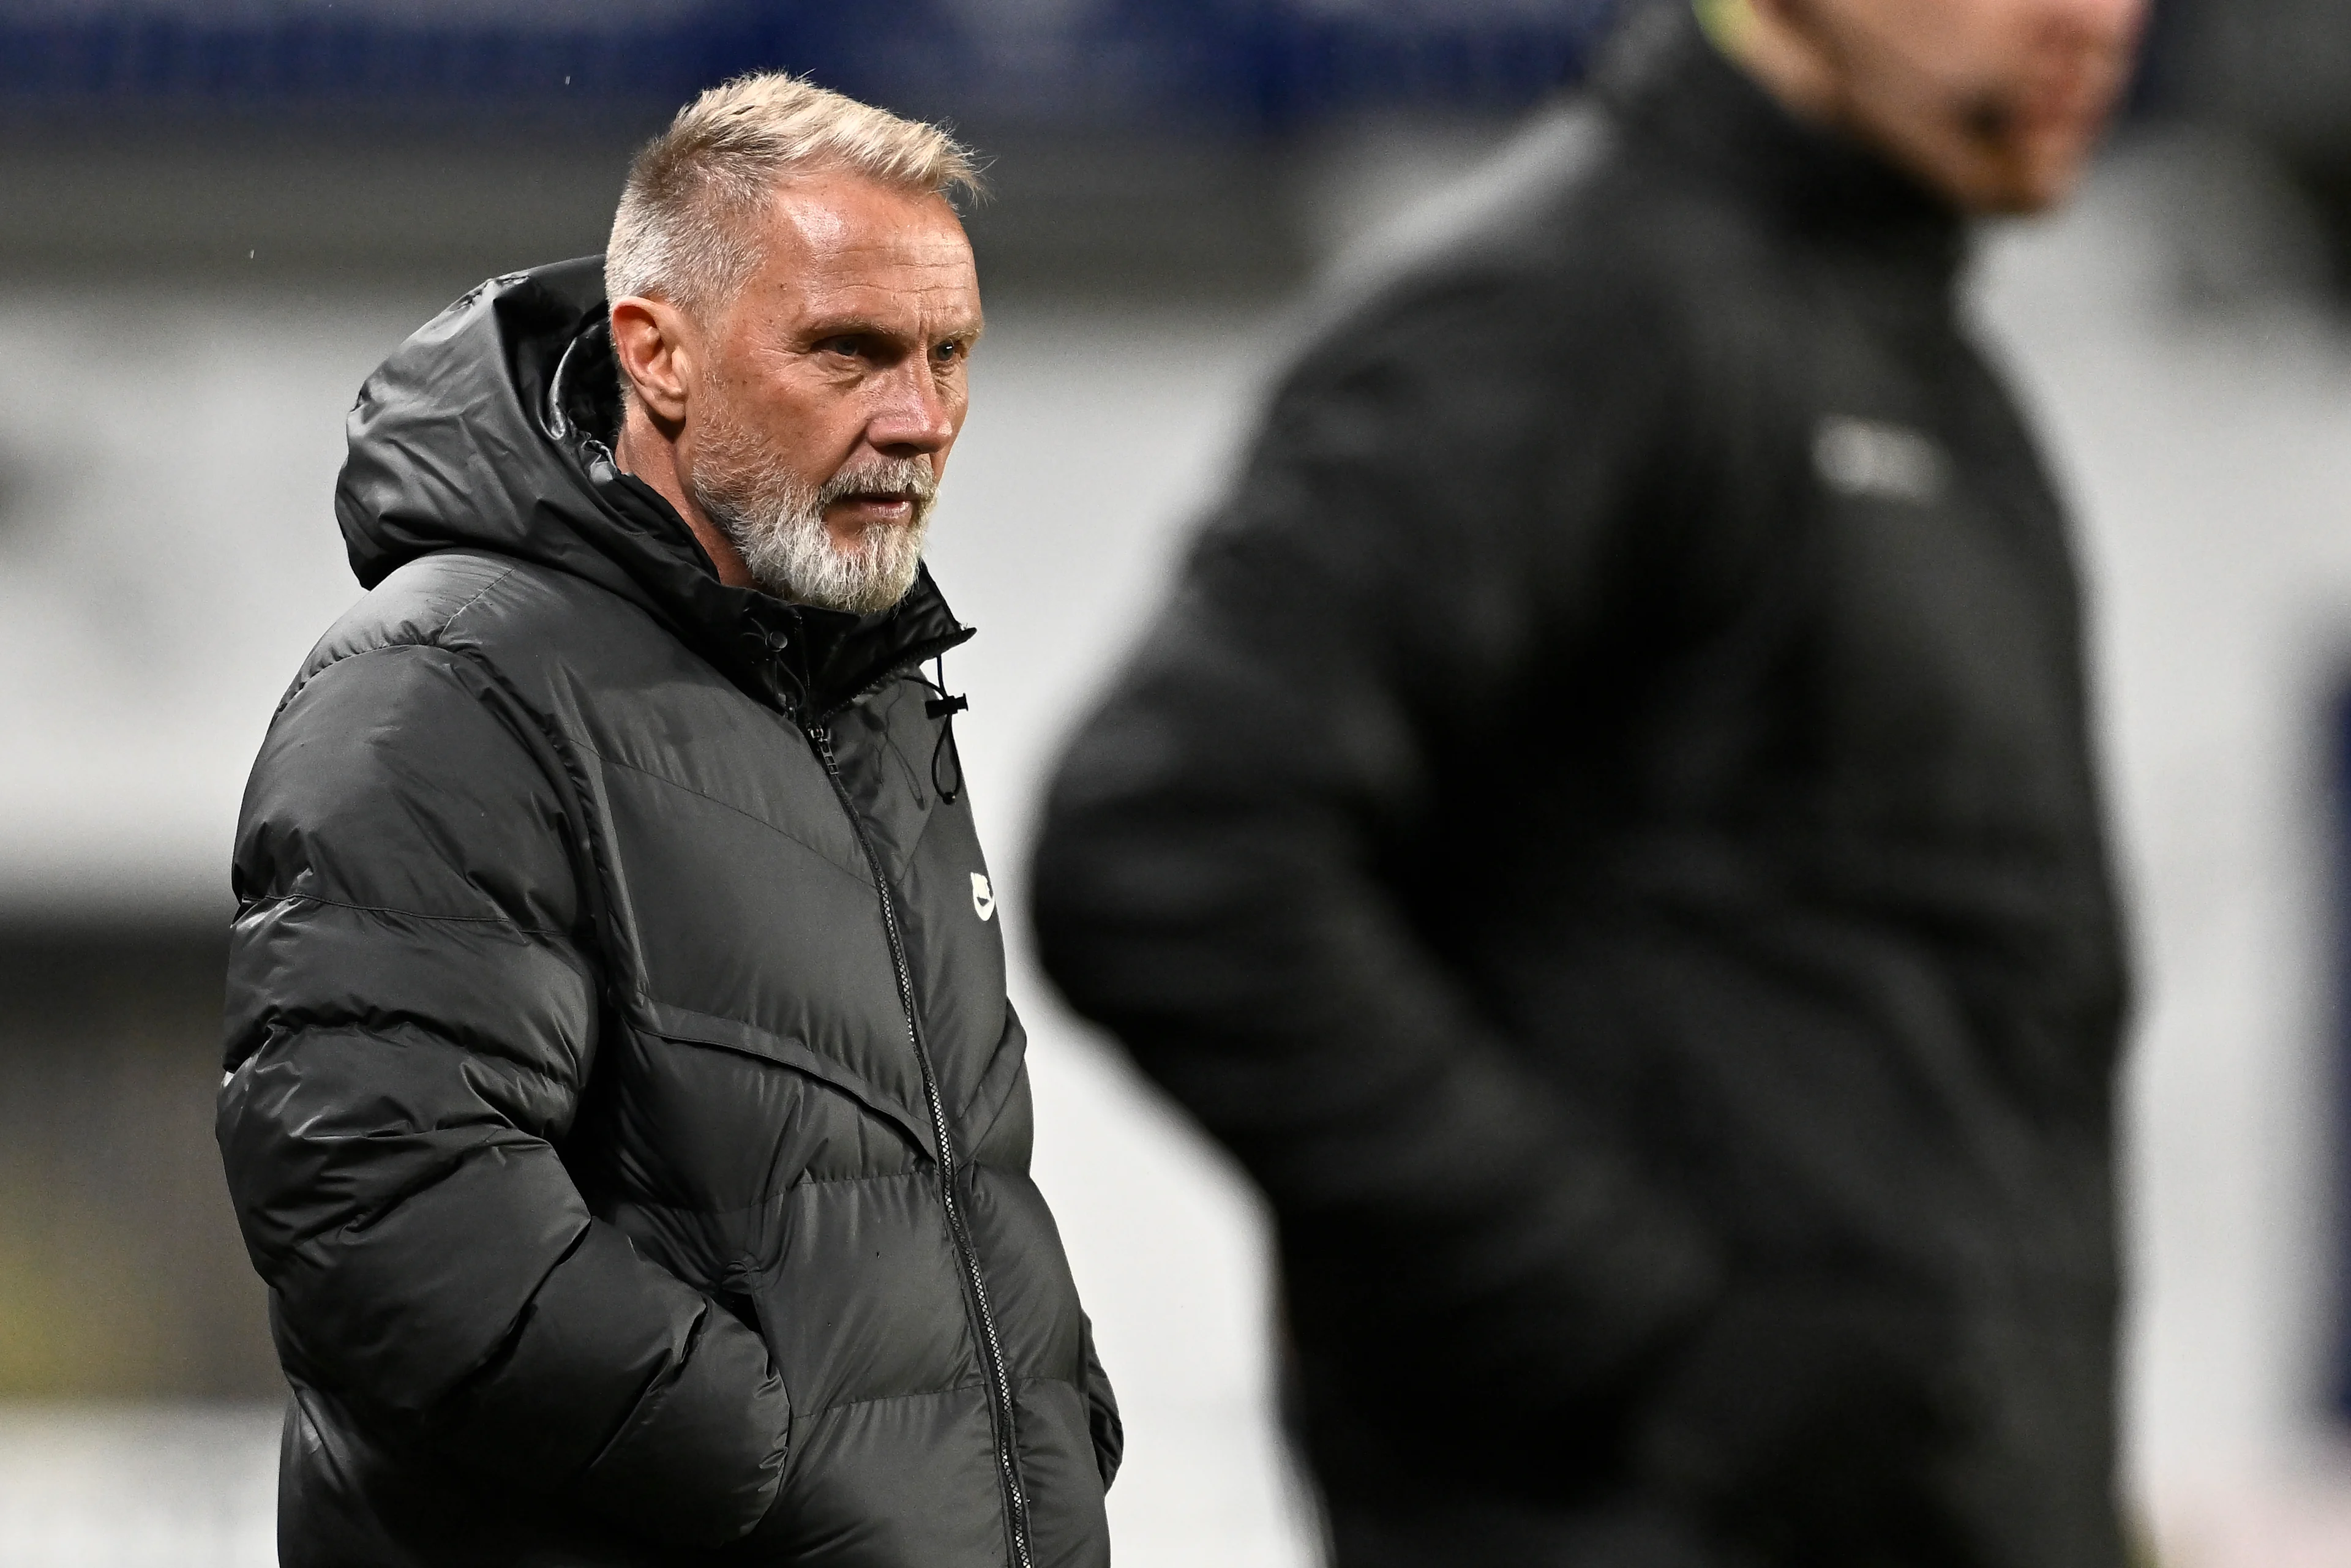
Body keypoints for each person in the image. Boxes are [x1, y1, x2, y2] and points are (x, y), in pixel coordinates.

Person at [1030, 1, 2144, 1564]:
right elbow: (1164, 849)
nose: (2095, 15)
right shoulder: (1573, 314)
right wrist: (1649, 1331)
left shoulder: (1941, 381)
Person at [217, 75, 1117, 1568]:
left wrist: (1049, 1431)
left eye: (950, 354)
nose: (920, 419)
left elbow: (927, 1188)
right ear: (660, 354)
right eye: (851, 351)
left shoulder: (866, 692)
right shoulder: (445, 686)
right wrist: (779, 1459)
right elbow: (379, 1202)